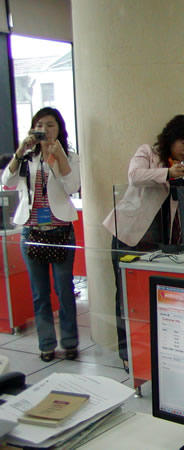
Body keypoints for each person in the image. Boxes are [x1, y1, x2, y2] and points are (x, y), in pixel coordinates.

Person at [103, 115, 184, 372]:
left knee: (157, 297)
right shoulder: (148, 153)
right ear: (171, 138)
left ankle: (158, 350)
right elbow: (134, 176)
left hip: (160, 242)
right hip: (129, 237)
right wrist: (168, 172)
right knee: (126, 297)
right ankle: (128, 353)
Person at [1, 107, 80, 362]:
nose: (44, 130)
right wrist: (20, 151)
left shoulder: (70, 156)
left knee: (64, 289)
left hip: (61, 231)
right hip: (31, 231)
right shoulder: (27, 156)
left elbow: (72, 187)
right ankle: (46, 344)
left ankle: (70, 342)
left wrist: (59, 156)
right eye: (39, 125)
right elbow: (7, 182)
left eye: (50, 125)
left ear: (59, 128)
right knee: (39, 292)